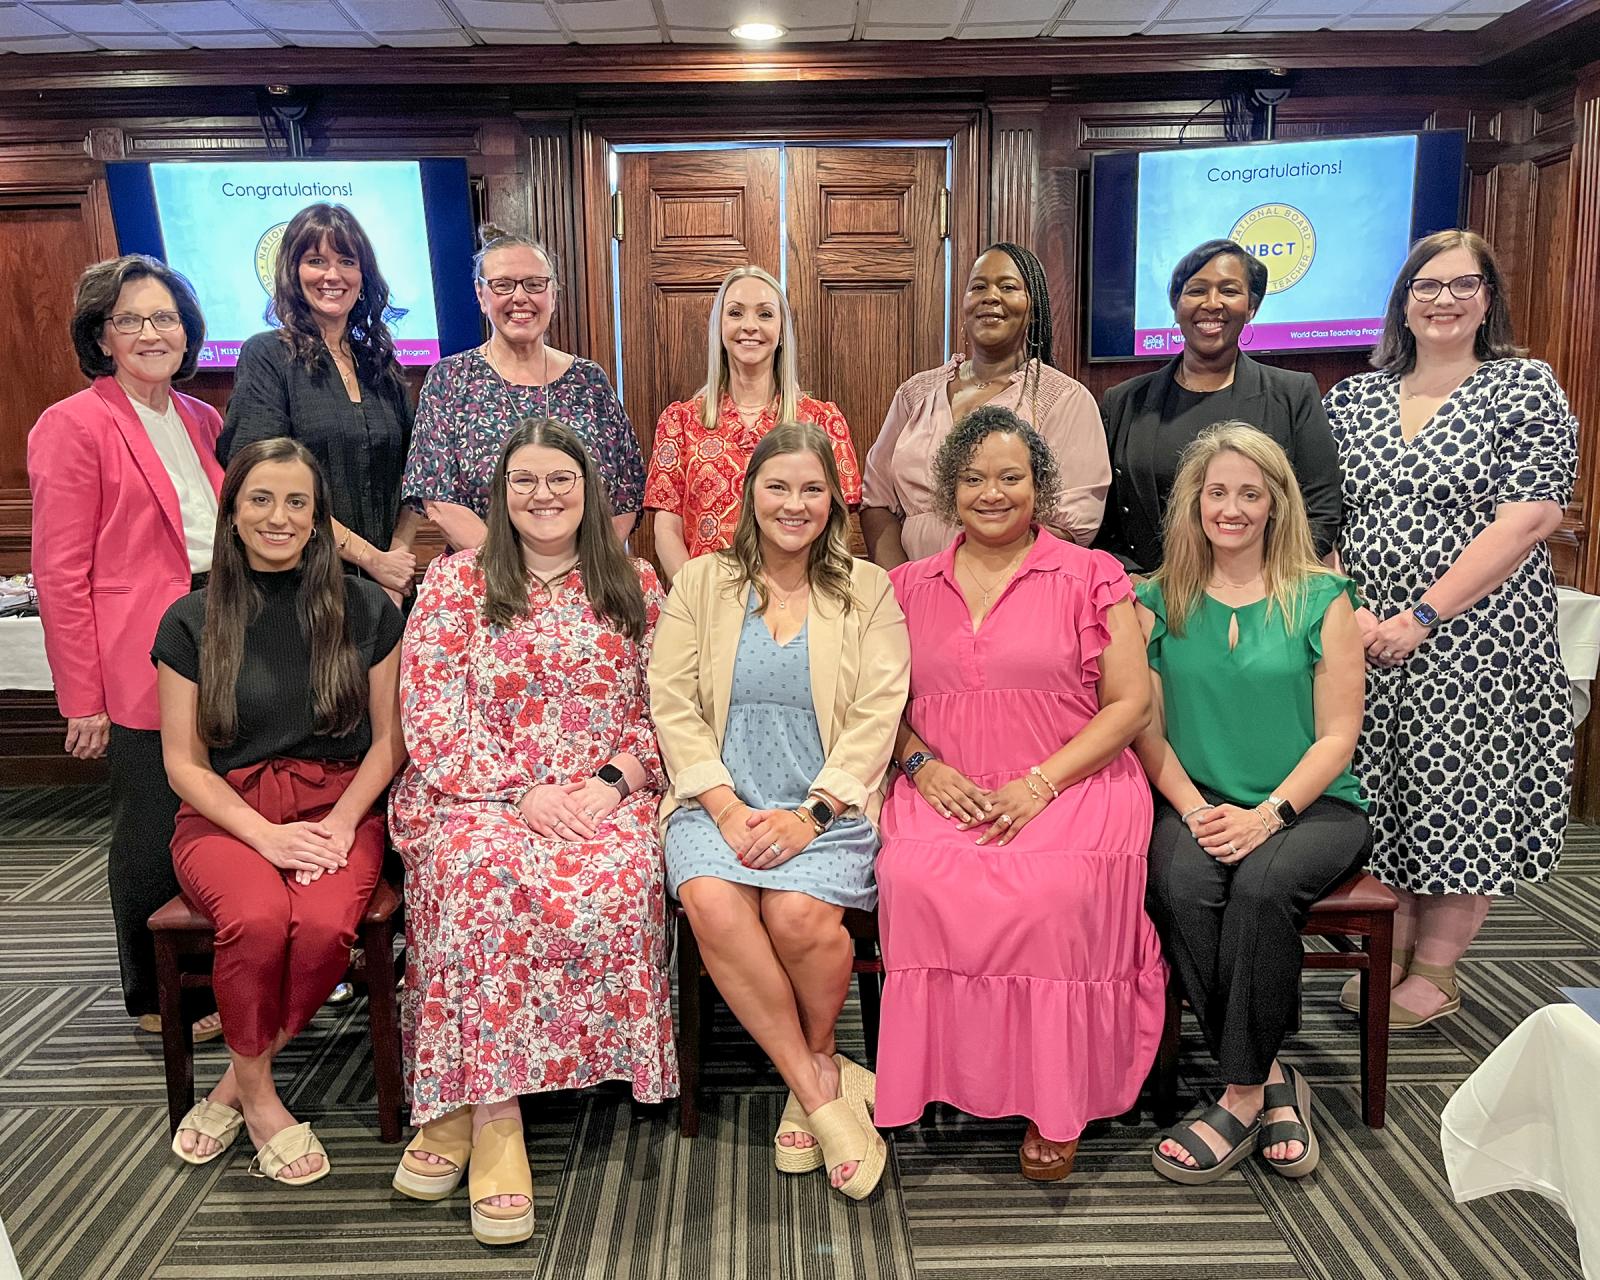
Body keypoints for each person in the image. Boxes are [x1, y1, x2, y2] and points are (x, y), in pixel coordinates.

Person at [389, 419, 676, 1246]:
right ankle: (496, 1117)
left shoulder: (637, 583)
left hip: (605, 794)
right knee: (480, 878)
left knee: (623, 881)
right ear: (500, 493)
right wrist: (520, 792)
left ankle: (468, 1104)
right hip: (474, 793)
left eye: (561, 479)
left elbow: (667, 712)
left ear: (589, 492)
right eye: (525, 481)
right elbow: (431, 716)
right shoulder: (453, 583)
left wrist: (610, 783)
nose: (543, 495)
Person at [873, 406, 1166, 1182]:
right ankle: (942, 1076)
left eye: (1011, 477)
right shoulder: (903, 586)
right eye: (974, 478)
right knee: (913, 877)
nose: (992, 492)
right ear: (947, 490)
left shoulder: (1091, 573)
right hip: (945, 782)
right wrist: (920, 767)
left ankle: (1055, 1099)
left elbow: (1129, 705)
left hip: (1074, 778)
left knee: (1051, 893)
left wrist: (1042, 783)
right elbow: (872, 711)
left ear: (1040, 487)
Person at [1323, 229, 1577, 1030]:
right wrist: (1351, 609)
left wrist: (1425, 613)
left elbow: (1531, 515)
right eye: (1426, 286)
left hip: (1478, 636)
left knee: (1460, 794)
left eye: (1461, 286)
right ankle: (1387, 946)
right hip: (1361, 630)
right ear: (1403, 300)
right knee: (1382, 789)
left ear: (1487, 300)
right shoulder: (1353, 397)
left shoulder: (1522, 386)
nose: (1443, 300)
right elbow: (1318, 514)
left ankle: (1436, 969)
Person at [650, 422, 909, 1200]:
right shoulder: (702, 580)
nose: (794, 503)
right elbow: (670, 701)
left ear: (833, 500)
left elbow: (877, 713)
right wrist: (725, 810)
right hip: (717, 799)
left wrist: (812, 815)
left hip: (825, 803)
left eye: (811, 489)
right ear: (750, 494)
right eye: (778, 486)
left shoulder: (868, 589)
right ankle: (819, 1085)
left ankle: (821, 1058)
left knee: (800, 918)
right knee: (710, 902)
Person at [155, 438, 405, 1186]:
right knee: (259, 920)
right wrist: (264, 835)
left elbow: (391, 741)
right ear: (231, 513)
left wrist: (337, 824)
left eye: (298, 501)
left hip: (340, 805)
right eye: (260, 498)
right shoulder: (191, 619)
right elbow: (182, 763)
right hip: (227, 813)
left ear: (320, 518)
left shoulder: (366, 609)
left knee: (327, 923)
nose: (280, 516)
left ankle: (233, 1083)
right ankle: (262, 1101)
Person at [1133, 423, 1370, 1185]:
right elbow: (1143, 726)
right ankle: (1274, 1084)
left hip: (1311, 807)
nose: (1231, 508)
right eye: (1217, 493)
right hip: (1195, 800)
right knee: (1178, 885)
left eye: (1250, 494)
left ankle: (1237, 1096)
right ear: (1193, 503)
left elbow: (1338, 736)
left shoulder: (1323, 597)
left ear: (1276, 505)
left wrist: (1267, 816)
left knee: (1263, 889)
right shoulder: (1153, 599)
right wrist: (1196, 810)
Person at [27, 254, 225, 1043]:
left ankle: (220, 964)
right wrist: (82, 698)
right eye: (131, 319)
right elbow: (60, 572)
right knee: (151, 821)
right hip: (139, 651)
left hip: (220, 628)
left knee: (216, 806)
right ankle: (156, 993)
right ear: (101, 335)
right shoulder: (71, 425)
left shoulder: (201, 419)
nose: (152, 332)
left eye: (166, 318)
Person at [1095, 239, 1342, 575]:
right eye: (1196, 290)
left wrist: (1256, 585)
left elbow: (1321, 512)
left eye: (1229, 290)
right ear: (1177, 305)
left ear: (1252, 307)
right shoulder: (1124, 401)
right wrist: (1135, 586)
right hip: (1148, 601)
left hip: (1260, 602)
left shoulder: (1293, 394)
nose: (1212, 304)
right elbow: (1103, 521)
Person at [861, 242, 1108, 567]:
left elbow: (1070, 525)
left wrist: (979, 586)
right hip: (911, 597)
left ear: (1034, 309)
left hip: (1016, 593)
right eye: (978, 286)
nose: (990, 296)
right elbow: (876, 500)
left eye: (1008, 287)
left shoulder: (1065, 399)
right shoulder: (915, 393)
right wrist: (904, 586)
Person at [398, 226, 644, 551]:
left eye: (534, 284)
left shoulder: (590, 381)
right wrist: (520, 577)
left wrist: (576, 572)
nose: (520, 297)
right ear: (481, 295)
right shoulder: (450, 379)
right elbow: (440, 500)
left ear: (553, 295)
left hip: (585, 580)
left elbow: (626, 494)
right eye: (503, 285)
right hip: (485, 578)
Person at [219, 203, 417, 603]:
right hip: (298, 585)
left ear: (363, 276)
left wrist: (394, 560)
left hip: (385, 590)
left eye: (346, 260)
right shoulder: (267, 355)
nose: (332, 275)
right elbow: (260, 479)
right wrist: (370, 559)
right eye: (316, 260)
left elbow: (417, 475)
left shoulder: (381, 364)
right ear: (293, 272)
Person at [644, 266, 861, 581]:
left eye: (764, 314)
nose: (749, 326)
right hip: (707, 603)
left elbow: (839, 524)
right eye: (735, 313)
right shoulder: (680, 421)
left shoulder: (821, 421)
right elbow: (666, 528)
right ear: (719, 326)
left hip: (799, 599)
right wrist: (696, 599)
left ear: (782, 330)